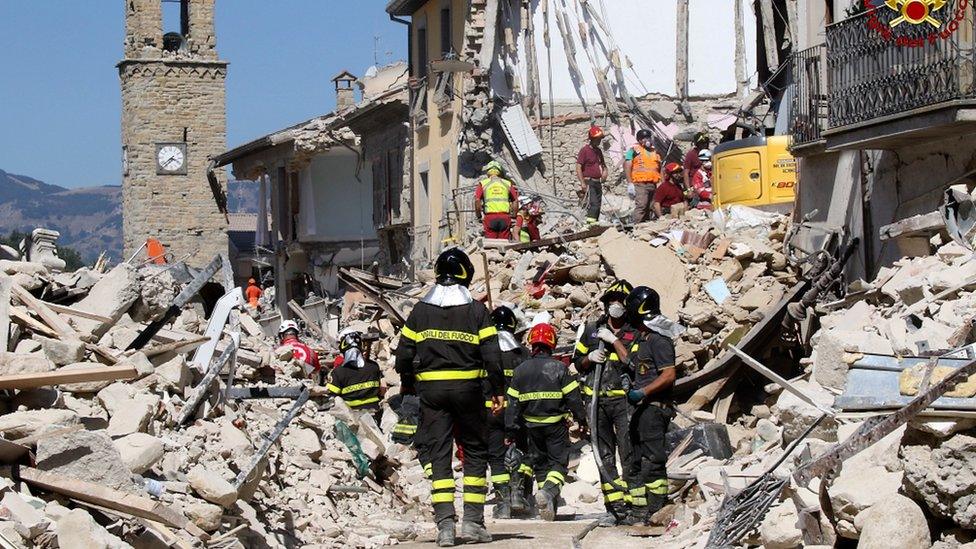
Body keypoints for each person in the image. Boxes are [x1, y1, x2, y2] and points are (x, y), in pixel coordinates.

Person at [395, 248, 504, 547]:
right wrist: (498, 390)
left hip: (431, 395)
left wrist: (407, 384)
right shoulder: (477, 311)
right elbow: (493, 358)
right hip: (469, 393)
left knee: (439, 455)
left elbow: (403, 355)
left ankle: (445, 526)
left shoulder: (420, 311)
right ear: (465, 274)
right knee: (475, 452)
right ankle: (472, 523)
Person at [572, 280, 640, 524]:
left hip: (623, 404)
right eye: (613, 301)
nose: (617, 306)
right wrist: (590, 358)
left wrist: (613, 341)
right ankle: (615, 508)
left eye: (621, 302)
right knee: (604, 455)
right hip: (596, 402)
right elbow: (577, 362)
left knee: (629, 453)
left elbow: (633, 363)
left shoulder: (635, 331)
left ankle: (634, 507)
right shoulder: (591, 329)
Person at [506, 323, 587, 521]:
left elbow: (512, 405)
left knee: (540, 466)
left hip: (530, 428)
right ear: (552, 343)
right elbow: (573, 398)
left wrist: (510, 431)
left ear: (532, 342)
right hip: (555, 427)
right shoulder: (560, 368)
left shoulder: (520, 370)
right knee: (559, 465)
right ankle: (549, 493)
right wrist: (582, 419)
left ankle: (547, 506)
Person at [621, 286, 678, 525]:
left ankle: (657, 510)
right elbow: (634, 364)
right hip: (641, 408)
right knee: (636, 460)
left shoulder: (659, 340)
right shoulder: (640, 340)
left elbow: (668, 375)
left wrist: (642, 392)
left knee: (653, 461)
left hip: (654, 407)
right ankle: (640, 512)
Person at [483, 306, 528, 519]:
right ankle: (518, 494)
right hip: (518, 412)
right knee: (520, 452)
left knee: (496, 456)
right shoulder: (523, 353)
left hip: (490, 411)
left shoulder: (483, 353)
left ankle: (502, 504)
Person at [326, 330, 384, 423]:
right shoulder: (374, 366)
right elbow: (380, 390)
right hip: (375, 413)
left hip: (352, 416)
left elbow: (330, 396)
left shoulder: (338, 372)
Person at [625, 130, 662, 224]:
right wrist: (630, 183)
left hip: (653, 183)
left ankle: (645, 226)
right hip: (640, 183)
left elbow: (660, 168)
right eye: (644, 138)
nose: (647, 140)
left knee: (651, 206)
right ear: (639, 140)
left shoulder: (655, 152)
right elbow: (627, 166)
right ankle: (633, 225)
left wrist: (661, 182)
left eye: (648, 138)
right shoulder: (634, 150)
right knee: (642, 204)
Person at [474, 160, 519, 240]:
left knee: (491, 243)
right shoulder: (507, 183)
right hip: (505, 217)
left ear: (488, 172)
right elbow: (515, 200)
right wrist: (514, 217)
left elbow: (477, 200)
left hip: (490, 218)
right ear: (499, 171)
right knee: (504, 243)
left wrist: (479, 216)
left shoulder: (483, 183)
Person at [576, 126, 608, 225]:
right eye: (597, 139)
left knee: (598, 204)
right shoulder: (584, 150)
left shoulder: (598, 151)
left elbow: (603, 165)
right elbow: (578, 167)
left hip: (597, 181)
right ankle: (590, 225)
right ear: (592, 139)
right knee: (593, 204)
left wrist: (604, 173)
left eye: (600, 139)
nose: (599, 141)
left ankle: (595, 223)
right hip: (589, 181)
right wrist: (582, 183)